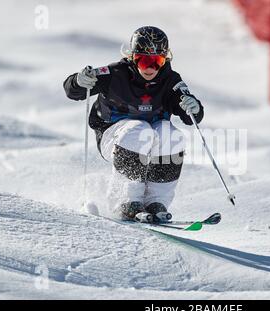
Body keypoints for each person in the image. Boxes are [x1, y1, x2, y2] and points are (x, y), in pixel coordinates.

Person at [63, 26, 204, 222]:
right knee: (139, 130)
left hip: (152, 139)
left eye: (157, 61)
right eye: (144, 60)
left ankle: (157, 201)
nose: (150, 68)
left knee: (171, 135)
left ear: (165, 59)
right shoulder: (114, 74)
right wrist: (78, 81)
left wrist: (194, 108)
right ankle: (126, 200)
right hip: (113, 136)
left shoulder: (170, 80)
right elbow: (73, 91)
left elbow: (191, 117)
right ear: (132, 56)